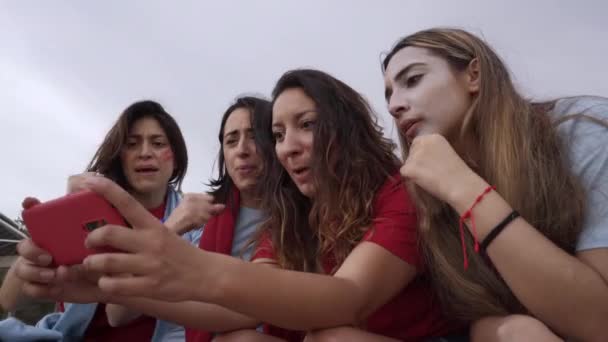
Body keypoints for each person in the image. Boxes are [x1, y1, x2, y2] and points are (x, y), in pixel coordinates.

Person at [16, 69, 467, 341]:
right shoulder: (292, 215)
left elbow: (349, 299)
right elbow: (240, 307)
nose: (287, 147)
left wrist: (185, 263)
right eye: (279, 134)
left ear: (347, 128)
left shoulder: (398, 192)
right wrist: (109, 289)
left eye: (306, 125)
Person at [381, 27, 608, 342]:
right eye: (389, 94)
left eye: (413, 80)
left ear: (474, 75)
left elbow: (600, 323)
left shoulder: (584, 130)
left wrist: (464, 187)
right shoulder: (429, 195)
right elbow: (484, 312)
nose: (394, 105)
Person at [0, 100, 219, 341]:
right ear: (119, 156)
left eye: (158, 144)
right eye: (132, 144)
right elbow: (8, 299)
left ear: (175, 159)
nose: (145, 152)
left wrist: (171, 229)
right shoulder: (90, 208)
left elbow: (118, 314)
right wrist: (39, 247)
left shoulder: (194, 221)